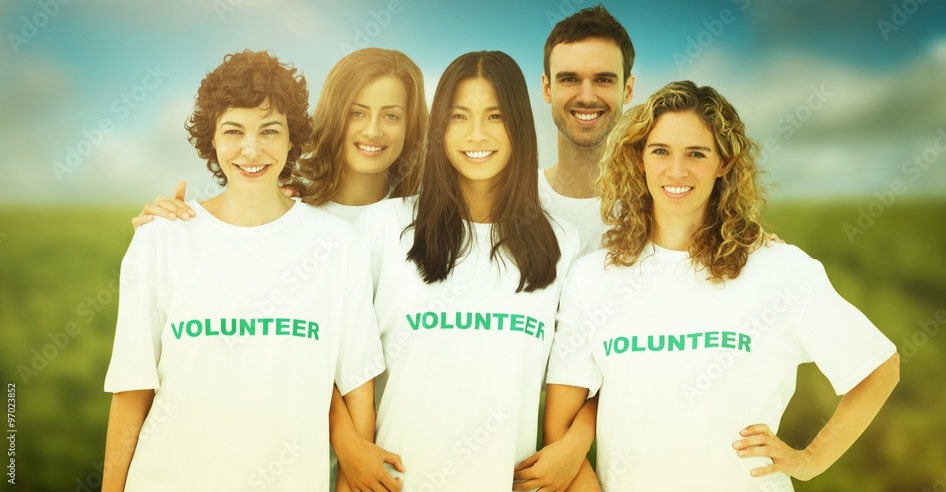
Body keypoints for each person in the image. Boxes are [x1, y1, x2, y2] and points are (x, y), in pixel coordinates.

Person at [544, 81, 900, 491]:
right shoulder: (592, 278)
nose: (676, 171)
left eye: (696, 153)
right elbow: (561, 423)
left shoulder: (781, 269)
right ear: (639, 158)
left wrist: (811, 459)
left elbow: (878, 368)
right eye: (661, 151)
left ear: (724, 163)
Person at [101, 50, 384, 491]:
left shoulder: (338, 246)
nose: (251, 149)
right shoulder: (160, 238)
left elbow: (357, 392)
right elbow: (132, 388)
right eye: (234, 130)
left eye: (270, 130)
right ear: (210, 140)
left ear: (293, 139)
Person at [351, 50, 584, 491]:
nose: (477, 134)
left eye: (495, 116)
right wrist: (350, 449)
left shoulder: (563, 244)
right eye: (459, 117)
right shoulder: (382, 227)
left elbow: (593, 373)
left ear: (520, 124)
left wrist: (574, 446)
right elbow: (336, 362)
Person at [129, 47, 428, 227]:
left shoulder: (429, 217)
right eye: (357, 113)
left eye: (391, 116)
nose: (373, 131)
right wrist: (163, 229)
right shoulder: (290, 205)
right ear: (335, 115)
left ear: (411, 125)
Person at [538, 3, 635, 252]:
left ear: (628, 89)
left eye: (603, 79)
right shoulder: (512, 200)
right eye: (570, 79)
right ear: (547, 89)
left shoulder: (655, 202)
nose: (587, 97)